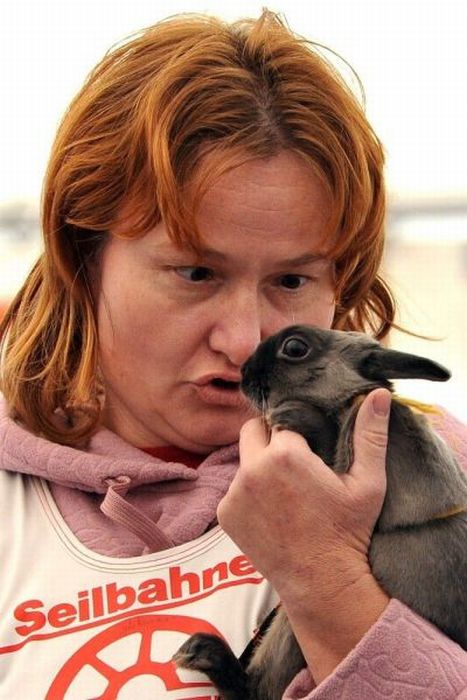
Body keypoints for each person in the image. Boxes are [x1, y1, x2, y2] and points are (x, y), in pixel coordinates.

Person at [1, 9, 466, 699]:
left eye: (292, 280)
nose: (247, 340)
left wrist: (324, 579)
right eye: (196, 273)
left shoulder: (434, 469)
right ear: (82, 256)